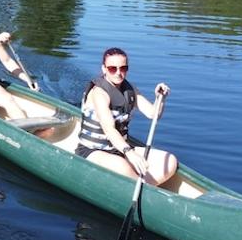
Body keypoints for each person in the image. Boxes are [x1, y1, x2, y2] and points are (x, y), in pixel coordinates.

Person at [75, 47, 177, 186]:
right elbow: (109, 129)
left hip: (119, 149)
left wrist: (160, 98)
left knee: (170, 160)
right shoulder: (99, 93)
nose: (118, 73)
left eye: (123, 68)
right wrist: (129, 152)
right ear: (104, 68)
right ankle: (142, 187)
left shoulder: (130, 90)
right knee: (124, 167)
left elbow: (153, 114)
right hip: (93, 151)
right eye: (112, 68)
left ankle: (143, 187)